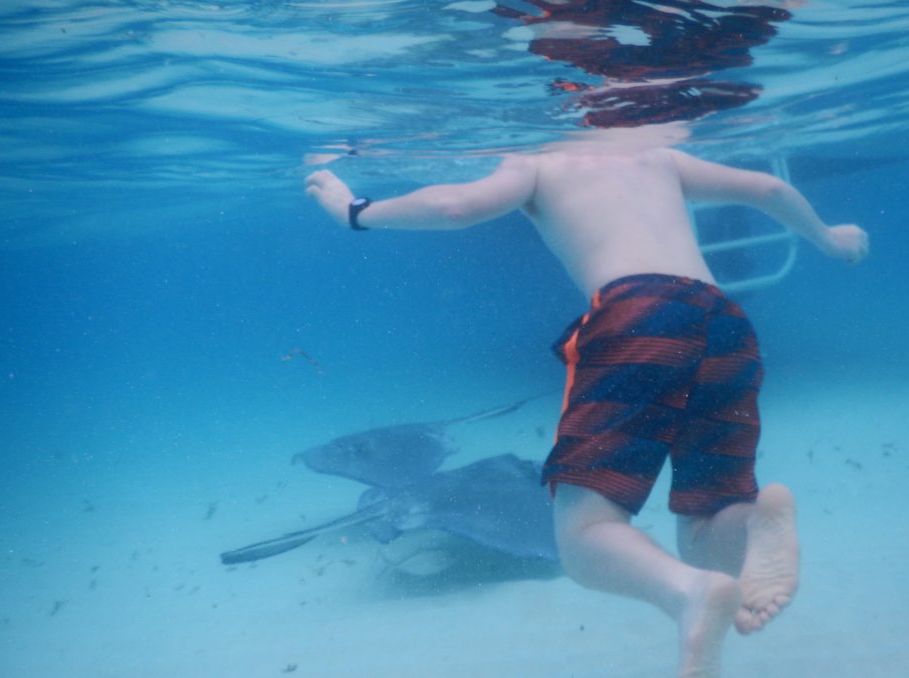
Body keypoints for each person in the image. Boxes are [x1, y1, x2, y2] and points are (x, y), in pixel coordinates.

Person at [304, 124, 869, 678]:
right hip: (725, 322)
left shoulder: (541, 160)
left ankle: (688, 595)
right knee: (706, 525)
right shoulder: (656, 158)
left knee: (582, 536)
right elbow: (767, 188)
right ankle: (753, 529)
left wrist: (357, 211)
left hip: (636, 315)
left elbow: (456, 207)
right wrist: (830, 238)